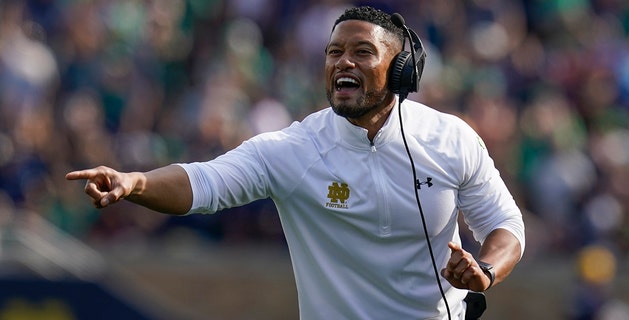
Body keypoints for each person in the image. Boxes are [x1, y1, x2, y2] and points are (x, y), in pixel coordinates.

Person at [66, 6, 525, 320]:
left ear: (402, 69)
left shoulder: (450, 138)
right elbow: (205, 182)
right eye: (334, 52)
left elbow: (504, 223)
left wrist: (485, 270)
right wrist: (137, 182)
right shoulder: (294, 149)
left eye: (362, 51)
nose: (343, 61)